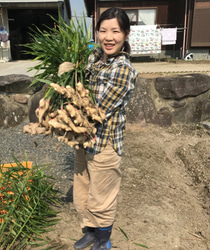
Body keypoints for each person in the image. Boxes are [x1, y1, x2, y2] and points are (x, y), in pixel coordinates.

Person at [73, 7, 138, 250]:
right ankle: (90, 232)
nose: (108, 37)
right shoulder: (93, 60)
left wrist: (69, 107)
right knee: (83, 190)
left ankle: (103, 240)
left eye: (115, 31)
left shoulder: (123, 69)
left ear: (126, 35)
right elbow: (78, 85)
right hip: (83, 139)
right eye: (103, 31)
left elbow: (96, 111)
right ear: (97, 33)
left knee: (102, 195)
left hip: (105, 142)